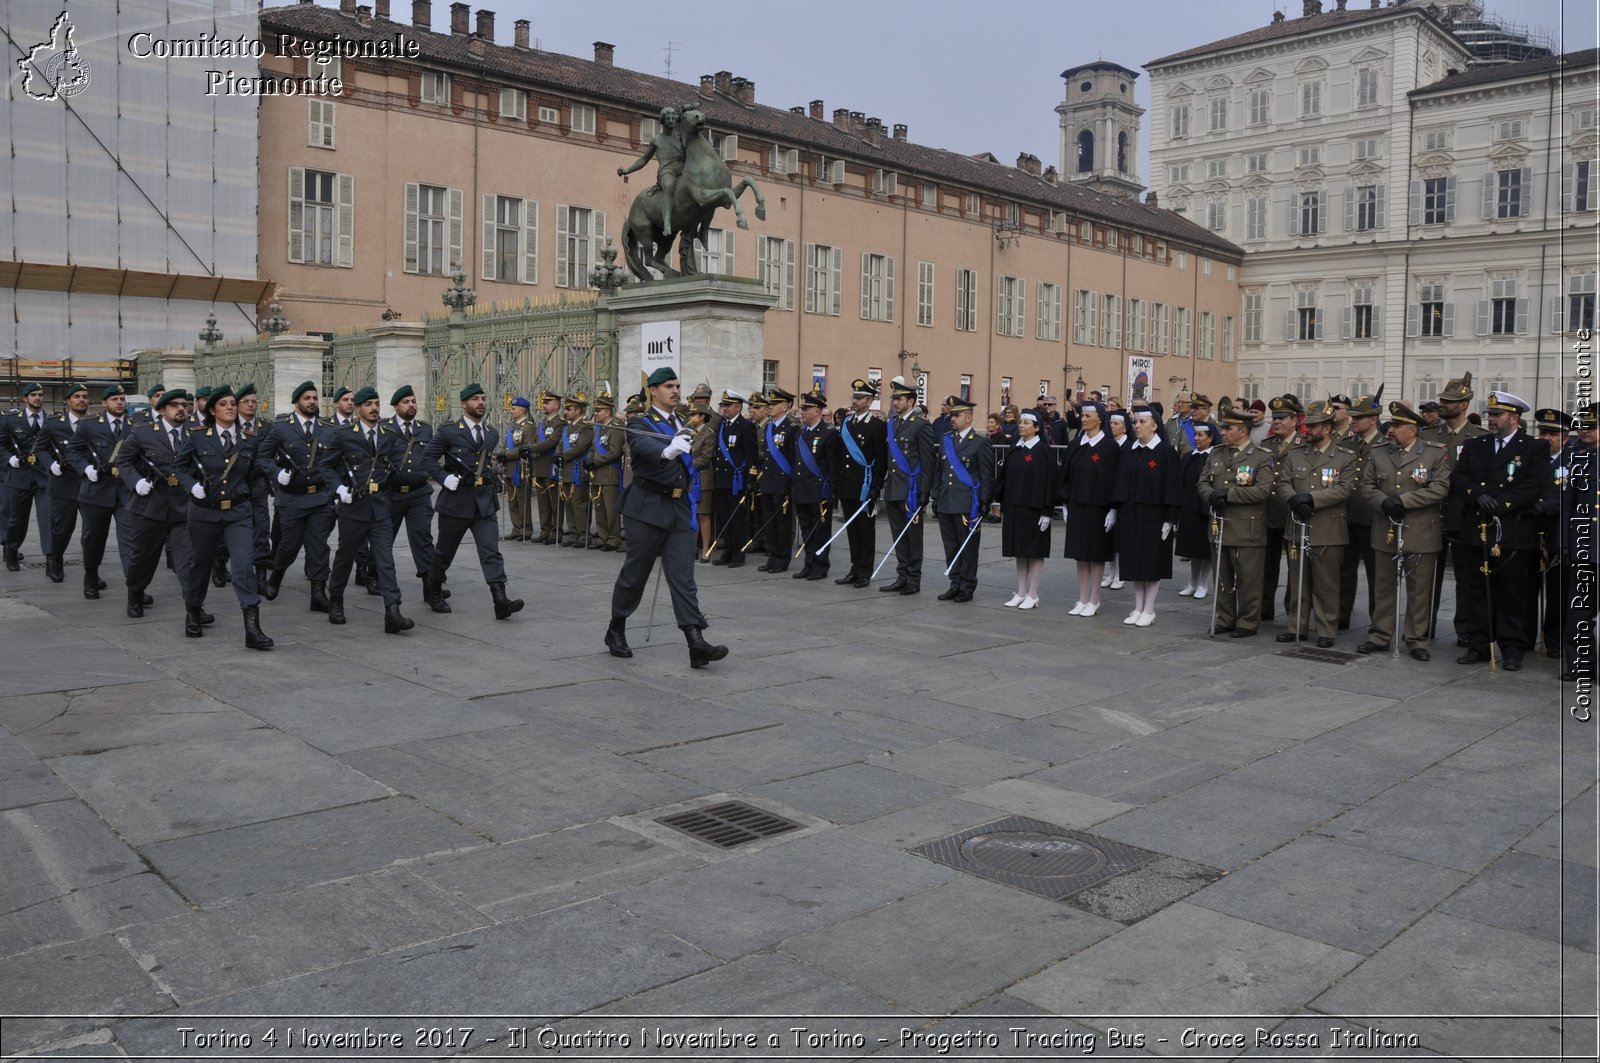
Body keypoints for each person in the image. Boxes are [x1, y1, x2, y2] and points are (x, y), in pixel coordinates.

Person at [605, 367, 727, 667]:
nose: (675, 391)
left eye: (677, 386)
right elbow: (642, 447)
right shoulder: (641, 422)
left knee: (683, 577)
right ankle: (616, 627)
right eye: (669, 386)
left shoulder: (685, 422)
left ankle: (695, 641)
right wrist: (667, 451)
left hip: (678, 509)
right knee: (635, 575)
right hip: (647, 508)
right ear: (654, 391)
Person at [1451, 391, 1548, 671]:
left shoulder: (1533, 447)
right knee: (1477, 590)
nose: (1491, 419)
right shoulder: (1475, 444)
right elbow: (1459, 476)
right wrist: (1476, 495)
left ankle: (1512, 646)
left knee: (1512, 592)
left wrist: (1504, 503)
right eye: (1489, 414)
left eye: (1497, 415)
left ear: (1514, 418)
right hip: (1478, 526)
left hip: (1512, 527)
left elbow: (1535, 484)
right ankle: (1479, 643)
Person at [174, 385, 272, 649]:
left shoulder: (249, 438)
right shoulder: (197, 436)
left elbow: (253, 474)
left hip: (238, 512)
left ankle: (253, 628)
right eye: (223, 404)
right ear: (213, 410)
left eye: (232, 403)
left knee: (243, 567)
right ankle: (193, 610)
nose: (229, 407)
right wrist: (191, 486)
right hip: (204, 513)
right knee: (201, 565)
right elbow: (179, 467)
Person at [1357, 401, 1452, 660]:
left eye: (1398, 426)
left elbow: (1439, 488)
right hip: (1386, 528)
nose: (1391, 430)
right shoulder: (1379, 452)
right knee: (1383, 587)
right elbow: (1366, 485)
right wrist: (1384, 502)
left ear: (1413, 429)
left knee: (1419, 589)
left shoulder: (1434, 453)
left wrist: (1403, 501)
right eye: (1392, 424)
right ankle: (1379, 634)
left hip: (1420, 531)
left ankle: (1417, 639)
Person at [423, 383, 524, 619]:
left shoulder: (490, 433)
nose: (481, 403)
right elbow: (427, 458)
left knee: (491, 551)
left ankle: (500, 600)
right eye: (475, 399)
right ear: (464, 404)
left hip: (484, 502)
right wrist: (444, 478)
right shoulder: (449, 431)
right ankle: (434, 590)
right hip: (456, 501)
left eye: (483, 398)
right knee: (444, 553)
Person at [326, 386, 414, 634]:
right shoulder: (344, 435)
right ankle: (336, 600)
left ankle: (392, 611)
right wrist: (339, 489)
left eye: (376, 404)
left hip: (381, 507)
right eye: (368, 404)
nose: (374, 408)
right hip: (353, 507)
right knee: (345, 557)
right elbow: (326, 467)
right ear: (358, 408)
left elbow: (396, 464)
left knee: (385, 560)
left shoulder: (388, 434)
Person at [1273, 401, 1360, 647]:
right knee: (1297, 580)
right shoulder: (1296, 453)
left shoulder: (1345, 457)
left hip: (1328, 528)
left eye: (1314, 426)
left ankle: (1326, 629)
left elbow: (1345, 488)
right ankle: (1295, 625)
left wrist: (1311, 498)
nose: (1308, 430)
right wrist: (1294, 499)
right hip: (1298, 526)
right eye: (1307, 425)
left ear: (1328, 428)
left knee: (1326, 583)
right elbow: (1283, 483)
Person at [256, 380, 338, 612]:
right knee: (289, 545)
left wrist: (337, 489)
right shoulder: (281, 428)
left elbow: (336, 462)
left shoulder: (327, 429)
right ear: (296, 402)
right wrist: (277, 473)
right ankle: (276, 577)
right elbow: (263, 457)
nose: (312, 402)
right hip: (291, 499)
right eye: (307, 399)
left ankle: (318, 594)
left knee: (319, 546)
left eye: (315, 398)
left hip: (320, 499)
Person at [1197, 405, 1279, 637]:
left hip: (1246, 528)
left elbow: (1263, 491)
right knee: (1222, 577)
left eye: (1228, 428)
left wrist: (1229, 494)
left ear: (1243, 431)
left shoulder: (1261, 457)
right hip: (1220, 524)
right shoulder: (1216, 453)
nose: (1222, 432)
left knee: (1248, 579)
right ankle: (1225, 617)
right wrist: (1211, 495)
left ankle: (1248, 621)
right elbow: (1202, 481)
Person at [117, 389, 199, 620]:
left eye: (184, 404)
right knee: (143, 558)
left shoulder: (197, 433)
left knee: (188, 560)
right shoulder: (143, 433)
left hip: (184, 507)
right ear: (162, 410)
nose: (181, 408)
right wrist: (136, 482)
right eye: (174, 405)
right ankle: (135, 593)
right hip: (150, 507)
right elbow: (123, 461)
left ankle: (193, 607)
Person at [1422, 372, 1490, 645]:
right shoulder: (1428, 434)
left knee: (1466, 578)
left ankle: (1464, 629)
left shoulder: (1478, 437)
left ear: (1463, 405)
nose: (1442, 404)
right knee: (1427, 577)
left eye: (1449, 401)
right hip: (1431, 513)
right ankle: (1424, 626)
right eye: (1442, 399)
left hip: (1463, 515)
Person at [1112, 407, 1182, 626]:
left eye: (1143, 422)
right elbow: (1120, 481)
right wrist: (1115, 510)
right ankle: (1138, 606)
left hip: (1154, 516)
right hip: (1131, 514)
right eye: (1136, 422)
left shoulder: (1165, 451)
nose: (1138, 426)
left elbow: (1172, 486)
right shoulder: (1130, 451)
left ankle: (1149, 609)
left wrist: (1170, 519)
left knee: (1151, 563)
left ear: (1155, 425)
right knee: (1134, 562)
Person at [69, 384, 137, 601]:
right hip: (96, 490)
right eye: (115, 399)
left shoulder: (135, 425)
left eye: (122, 399)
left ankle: (134, 587)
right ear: (104, 403)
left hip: (126, 491)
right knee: (94, 538)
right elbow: (72, 451)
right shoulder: (89, 425)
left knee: (131, 539)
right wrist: (86, 469)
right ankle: (91, 576)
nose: (119, 402)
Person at [1058, 400, 1120, 615]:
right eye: (1082, 416)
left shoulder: (1110, 447)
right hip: (1077, 505)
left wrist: (1113, 509)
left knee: (1095, 554)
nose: (1083, 420)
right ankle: (1082, 598)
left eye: (1087, 416)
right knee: (1080, 554)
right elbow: (1065, 474)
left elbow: (1115, 479)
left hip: (1100, 509)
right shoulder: (1077, 444)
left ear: (1100, 419)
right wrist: (1065, 503)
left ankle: (1094, 599)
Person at [932, 396, 993, 602]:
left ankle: (967, 585)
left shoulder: (980, 443)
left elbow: (986, 475)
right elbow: (939, 471)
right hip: (946, 501)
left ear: (968, 417)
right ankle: (954, 582)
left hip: (968, 503)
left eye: (957, 415)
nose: (952, 419)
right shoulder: (946, 439)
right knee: (951, 546)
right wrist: (935, 495)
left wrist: (985, 502)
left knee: (967, 547)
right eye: (951, 415)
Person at [387, 385, 444, 601]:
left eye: (413, 401)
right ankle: (372, 572)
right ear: (396, 406)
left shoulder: (425, 429)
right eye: (406, 402)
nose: (411, 405)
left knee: (422, 539)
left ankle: (430, 588)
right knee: (384, 539)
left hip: (418, 494)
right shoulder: (386, 428)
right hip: (392, 494)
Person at [880, 378, 937, 595]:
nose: (895, 403)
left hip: (912, 491)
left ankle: (914, 578)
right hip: (895, 487)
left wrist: (924, 492)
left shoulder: (921, 425)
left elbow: (927, 461)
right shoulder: (893, 424)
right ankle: (901, 575)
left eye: (899, 399)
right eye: (894, 399)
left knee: (913, 535)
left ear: (911, 401)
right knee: (899, 535)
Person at [997, 411, 1055, 609]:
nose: (1021, 425)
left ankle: (1033, 593)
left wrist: (1047, 510)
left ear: (1037, 427)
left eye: (1026, 423)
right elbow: (1005, 478)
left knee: (1034, 551)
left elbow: (1049, 483)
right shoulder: (1015, 449)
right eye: (1020, 422)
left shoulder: (1043, 451)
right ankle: (1021, 591)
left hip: (1035, 509)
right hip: (1015, 507)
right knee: (1020, 551)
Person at [832, 379, 887, 588]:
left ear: (869, 400)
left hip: (865, 485)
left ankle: (865, 571)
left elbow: (881, 460)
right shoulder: (847, 423)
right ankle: (854, 568)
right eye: (853, 397)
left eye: (858, 398)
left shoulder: (877, 426)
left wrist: (876, 486)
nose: (854, 401)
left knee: (865, 530)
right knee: (852, 530)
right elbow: (840, 457)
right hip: (847, 485)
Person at [1560, 405, 1597, 681]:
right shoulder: (1578, 458)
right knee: (1578, 613)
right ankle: (1579, 665)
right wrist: (1565, 542)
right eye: (1582, 425)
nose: (1584, 430)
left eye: (1592, 426)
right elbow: (1567, 505)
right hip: (1585, 548)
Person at [40, 381, 90, 583]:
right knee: (62, 528)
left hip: (90, 483)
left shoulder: (96, 422)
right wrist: (51, 465)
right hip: (64, 483)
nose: (81, 400)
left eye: (85, 397)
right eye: (77, 397)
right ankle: (55, 561)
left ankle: (91, 573)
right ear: (68, 401)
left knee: (91, 530)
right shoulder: (54, 423)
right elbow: (40, 449)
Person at [1259, 395, 1302, 623]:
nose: (1277, 422)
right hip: (1269, 515)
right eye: (1274, 418)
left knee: (1294, 569)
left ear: (1294, 420)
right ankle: (1264, 609)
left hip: (1292, 514)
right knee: (1267, 566)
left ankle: (1292, 611)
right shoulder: (1267, 446)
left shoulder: (1303, 445)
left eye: (1282, 418)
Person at [3, 381, 53, 570]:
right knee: (17, 518)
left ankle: (51, 558)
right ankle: (11, 552)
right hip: (20, 475)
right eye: (33, 395)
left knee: (48, 518)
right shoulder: (11, 420)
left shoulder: (51, 421)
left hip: (44, 476)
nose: (37, 398)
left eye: (40, 395)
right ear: (25, 398)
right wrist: (9, 459)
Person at [790, 387, 837, 581]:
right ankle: (808, 564)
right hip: (802, 488)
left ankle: (820, 565)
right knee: (807, 529)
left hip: (819, 491)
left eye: (806, 409)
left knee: (821, 531)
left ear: (817, 411)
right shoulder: (800, 433)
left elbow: (833, 465)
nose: (802, 412)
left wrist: (832, 491)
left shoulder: (829, 433)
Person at [616, 105, 685, 235]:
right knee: (669, 186)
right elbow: (643, 160)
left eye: (673, 118)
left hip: (683, 171)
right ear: (663, 121)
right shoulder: (657, 140)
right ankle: (667, 222)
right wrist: (627, 170)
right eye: (668, 118)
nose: (671, 120)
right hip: (667, 171)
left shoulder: (681, 139)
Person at [710, 390, 756, 566]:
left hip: (737, 480)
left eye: (727, 405)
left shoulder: (746, 426)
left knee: (737, 519)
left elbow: (750, 454)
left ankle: (738, 554)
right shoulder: (723, 425)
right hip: (722, 478)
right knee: (724, 517)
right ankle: (728, 551)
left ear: (737, 407)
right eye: (722, 405)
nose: (724, 408)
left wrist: (750, 479)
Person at [755, 387, 796, 571]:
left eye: (775, 404)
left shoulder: (792, 428)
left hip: (783, 483)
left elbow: (794, 459)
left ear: (785, 406)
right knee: (769, 522)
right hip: (768, 482)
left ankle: (782, 558)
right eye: (770, 403)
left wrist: (791, 484)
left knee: (782, 523)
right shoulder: (770, 427)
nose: (770, 407)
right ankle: (772, 556)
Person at [1176, 420, 1217, 599]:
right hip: (1188, 506)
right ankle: (1192, 582)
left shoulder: (1214, 457)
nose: (1197, 438)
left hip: (1205, 508)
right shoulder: (1188, 457)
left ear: (1211, 438)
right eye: (1196, 435)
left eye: (1201, 435)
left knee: (1204, 549)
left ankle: (1203, 583)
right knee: (1191, 549)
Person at [586, 391, 626, 551]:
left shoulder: (615, 428)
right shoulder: (598, 428)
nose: (595, 414)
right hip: (596, 475)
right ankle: (602, 537)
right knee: (599, 508)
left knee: (611, 510)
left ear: (607, 412)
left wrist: (594, 461)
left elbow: (615, 452)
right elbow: (593, 448)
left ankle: (613, 538)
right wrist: (589, 459)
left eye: (598, 411)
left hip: (609, 474)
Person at [523, 391, 564, 544]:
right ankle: (545, 530)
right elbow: (534, 440)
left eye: (547, 403)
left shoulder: (560, 423)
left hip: (551, 467)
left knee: (554, 502)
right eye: (544, 403)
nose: (544, 405)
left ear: (556, 405)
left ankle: (556, 532)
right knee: (543, 503)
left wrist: (531, 449)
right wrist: (527, 448)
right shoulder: (542, 424)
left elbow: (552, 442)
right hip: (540, 466)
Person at [556, 391, 594, 547]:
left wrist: (562, 456)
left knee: (580, 504)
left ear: (578, 411)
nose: (565, 412)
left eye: (569, 409)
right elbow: (559, 445)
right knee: (568, 503)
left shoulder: (586, 428)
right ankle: (573, 534)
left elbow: (580, 447)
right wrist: (558, 455)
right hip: (566, 470)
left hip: (579, 471)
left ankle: (584, 535)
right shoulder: (567, 428)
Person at [687, 391, 716, 560]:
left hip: (702, 477)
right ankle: (692, 547)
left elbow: (706, 456)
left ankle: (706, 549)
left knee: (703, 514)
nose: (691, 417)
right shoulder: (687, 431)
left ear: (703, 417)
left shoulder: (708, 433)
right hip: (690, 477)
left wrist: (687, 464)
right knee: (691, 514)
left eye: (694, 414)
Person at [503, 396, 534, 541]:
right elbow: (506, 445)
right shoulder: (513, 427)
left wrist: (506, 455)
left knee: (522, 500)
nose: (510, 411)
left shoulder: (529, 427)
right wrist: (501, 455)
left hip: (520, 468)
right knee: (512, 500)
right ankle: (516, 529)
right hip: (509, 468)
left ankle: (526, 530)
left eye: (513, 409)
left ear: (522, 411)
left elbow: (525, 447)